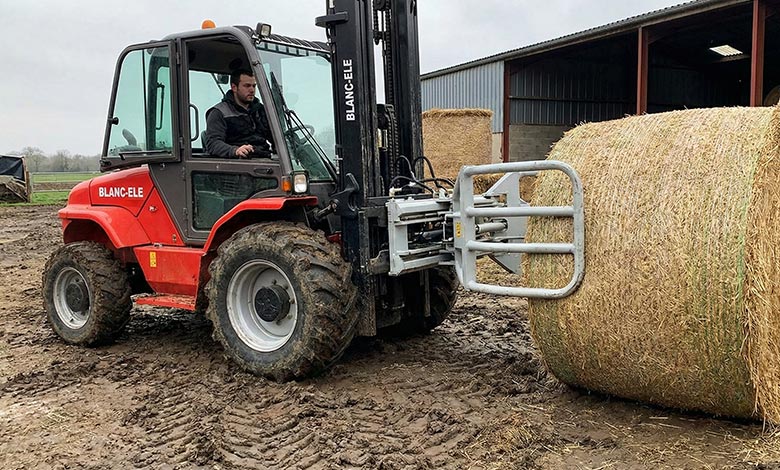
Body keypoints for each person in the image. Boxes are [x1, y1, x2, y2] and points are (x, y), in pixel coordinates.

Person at [205, 69, 275, 158]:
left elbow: (275, 137)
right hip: (237, 161)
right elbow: (213, 144)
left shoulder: (260, 110)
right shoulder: (219, 112)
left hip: (264, 157)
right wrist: (235, 151)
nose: (252, 90)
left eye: (254, 86)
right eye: (247, 86)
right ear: (234, 87)